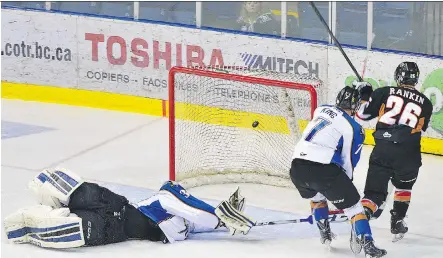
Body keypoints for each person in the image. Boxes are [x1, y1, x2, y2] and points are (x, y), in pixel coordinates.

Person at [4, 168, 253, 248]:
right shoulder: (179, 225)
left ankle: (34, 222)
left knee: (169, 190)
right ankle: (30, 225)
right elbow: (193, 216)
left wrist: (219, 218)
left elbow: (177, 201)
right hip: (116, 228)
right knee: (70, 220)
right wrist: (221, 222)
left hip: (118, 212)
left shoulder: (165, 204)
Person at [290, 86, 387, 257]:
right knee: (355, 208)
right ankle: (368, 245)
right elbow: (348, 160)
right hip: (323, 170)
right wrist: (345, 187)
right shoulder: (354, 129)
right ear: (356, 105)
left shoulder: (321, 109)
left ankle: (325, 234)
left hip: (297, 168)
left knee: (317, 196)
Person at [355, 61, 433, 242]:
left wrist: (365, 95)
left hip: (383, 148)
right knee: (404, 186)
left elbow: (362, 115)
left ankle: (364, 219)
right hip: (409, 154)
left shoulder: (384, 92)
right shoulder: (426, 103)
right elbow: (420, 129)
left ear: (398, 76)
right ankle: (397, 221)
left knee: (373, 194)